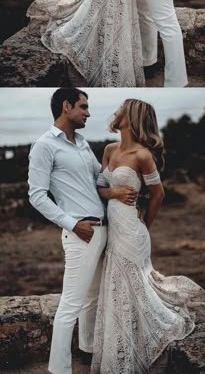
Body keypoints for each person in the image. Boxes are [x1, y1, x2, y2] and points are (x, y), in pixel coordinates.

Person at [91, 98, 205, 374]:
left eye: (121, 108)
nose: (116, 111)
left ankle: (134, 350)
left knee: (130, 282)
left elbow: (158, 194)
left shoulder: (143, 155)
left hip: (132, 228)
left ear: (129, 116)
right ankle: (119, 347)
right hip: (113, 224)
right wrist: (114, 193)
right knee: (117, 285)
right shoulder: (109, 149)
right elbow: (98, 187)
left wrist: (145, 226)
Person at [28, 88, 139, 374]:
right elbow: (37, 195)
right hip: (80, 233)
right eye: (83, 106)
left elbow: (97, 177)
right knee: (71, 305)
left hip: (103, 229)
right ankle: (59, 369)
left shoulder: (80, 142)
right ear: (66, 106)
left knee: (93, 297)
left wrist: (123, 162)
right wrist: (71, 224)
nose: (88, 113)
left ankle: (88, 351)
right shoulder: (44, 145)